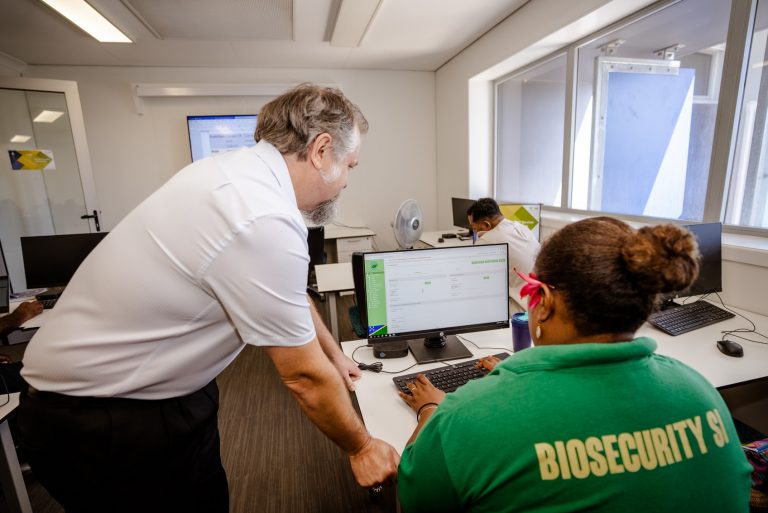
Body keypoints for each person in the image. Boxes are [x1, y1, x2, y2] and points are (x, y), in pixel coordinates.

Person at [17, 84, 399, 513]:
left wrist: (333, 354)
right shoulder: (261, 214)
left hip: (150, 394)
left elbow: (287, 292)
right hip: (105, 418)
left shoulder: (233, 173)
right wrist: (362, 447)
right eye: (349, 166)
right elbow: (304, 377)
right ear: (321, 150)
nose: (346, 180)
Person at [397, 217, 752, 512]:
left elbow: (411, 501)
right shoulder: (701, 393)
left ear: (545, 302)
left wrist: (431, 411)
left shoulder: (463, 418)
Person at [466, 197, 540, 311]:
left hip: (519, 307)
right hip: (539, 301)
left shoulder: (487, 240)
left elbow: (473, 274)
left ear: (486, 225)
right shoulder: (521, 227)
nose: (475, 232)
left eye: (474, 228)